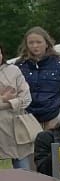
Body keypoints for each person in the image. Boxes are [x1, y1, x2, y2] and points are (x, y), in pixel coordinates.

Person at [17, 27, 60, 129]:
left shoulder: (59, 64)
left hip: (54, 118)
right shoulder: (19, 66)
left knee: (55, 145)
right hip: (28, 119)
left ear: (47, 43)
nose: (35, 46)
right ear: (26, 45)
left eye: (39, 42)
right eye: (31, 43)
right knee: (32, 146)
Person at [0, 40, 35, 169]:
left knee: (23, 171)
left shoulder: (13, 70)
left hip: (15, 127)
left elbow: (26, 98)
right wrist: (6, 99)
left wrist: (7, 102)